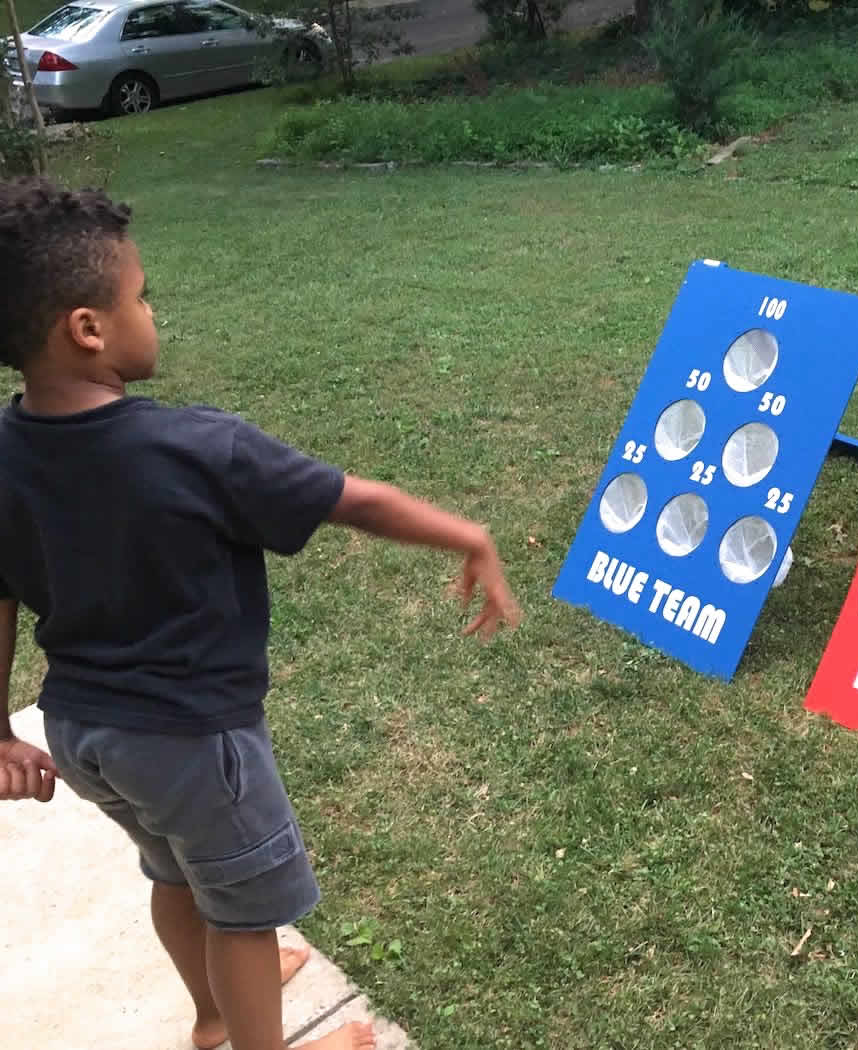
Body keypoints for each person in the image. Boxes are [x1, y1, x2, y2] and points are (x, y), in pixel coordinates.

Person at [0, 177, 522, 1050]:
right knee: (243, 914)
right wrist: (466, 533)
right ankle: (253, 1035)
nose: (152, 309)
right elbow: (353, 501)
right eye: (141, 295)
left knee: (174, 875)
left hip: (83, 733)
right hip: (193, 744)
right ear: (88, 330)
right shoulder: (198, 448)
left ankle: (215, 1017)